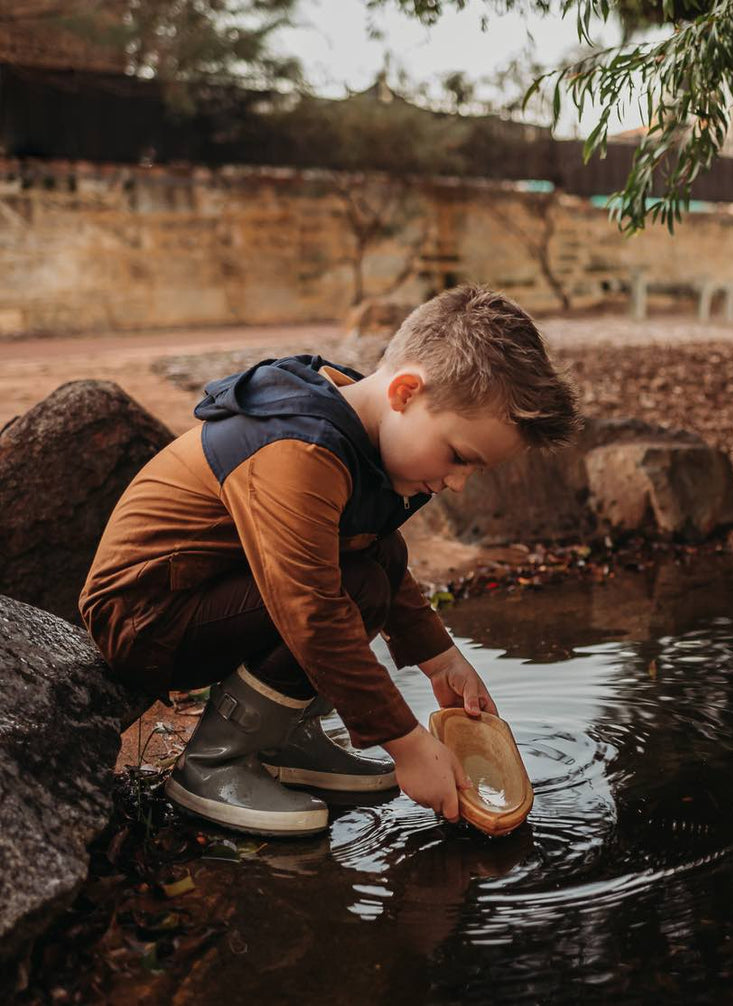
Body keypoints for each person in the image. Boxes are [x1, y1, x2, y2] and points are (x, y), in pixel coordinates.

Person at [80, 286, 580, 836]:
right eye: (459, 456)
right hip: (147, 619)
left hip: (214, 594)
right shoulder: (298, 447)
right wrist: (407, 743)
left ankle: (285, 743)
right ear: (407, 392)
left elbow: (379, 551)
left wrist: (440, 657)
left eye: (474, 470)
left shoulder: (365, 436)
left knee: (369, 572)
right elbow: (312, 614)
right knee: (335, 599)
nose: (458, 483)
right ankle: (212, 765)